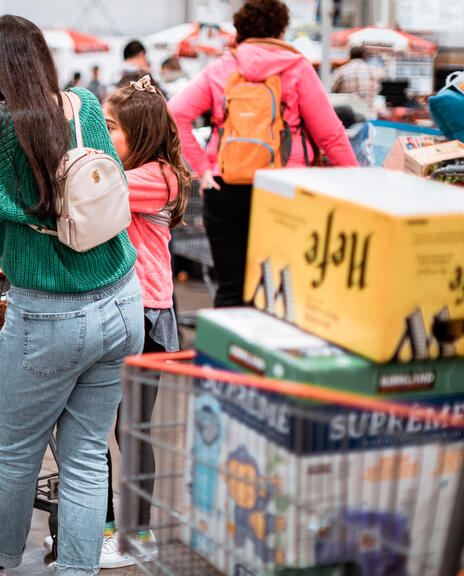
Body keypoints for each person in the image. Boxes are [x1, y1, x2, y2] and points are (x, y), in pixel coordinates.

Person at [0, 15, 145, 576]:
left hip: (50, 318)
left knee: (15, 453)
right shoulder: (83, 105)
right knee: (87, 457)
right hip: (121, 299)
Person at [168, 0, 356, 308]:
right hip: (285, 191)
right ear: (281, 29)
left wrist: (203, 169)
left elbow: (176, 113)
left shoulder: (222, 67)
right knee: (283, 290)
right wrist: (359, 184)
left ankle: (225, 354)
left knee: (231, 288)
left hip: (225, 187)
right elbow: (331, 134)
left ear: (240, 30)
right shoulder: (297, 68)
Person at [99, 74, 191, 567]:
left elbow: (91, 189)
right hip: (123, 307)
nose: (103, 136)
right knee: (110, 424)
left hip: (148, 317)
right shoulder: (139, 170)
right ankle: (114, 525)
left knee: (132, 429)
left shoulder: (154, 177)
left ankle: (138, 537)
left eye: (111, 127)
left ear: (143, 134)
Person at [331, 46, 385, 114]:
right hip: (369, 114)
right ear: (364, 56)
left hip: (349, 115)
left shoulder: (341, 71)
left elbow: (330, 91)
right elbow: (377, 91)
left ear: (350, 56)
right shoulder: (375, 72)